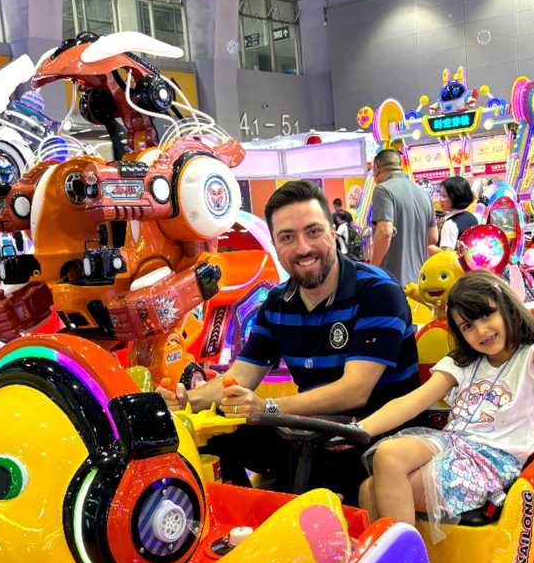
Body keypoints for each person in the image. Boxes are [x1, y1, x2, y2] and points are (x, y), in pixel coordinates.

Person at [161, 179, 419, 502]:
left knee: (298, 457)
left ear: (332, 232)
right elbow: (238, 379)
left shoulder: (377, 291)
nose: (303, 248)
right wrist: (186, 399)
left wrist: (266, 407)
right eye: (287, 237)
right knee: (212, 439)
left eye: (313, 232)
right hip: (312, 435)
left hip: (379, 436)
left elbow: (355, 390)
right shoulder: (278, 303)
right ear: (275, 244)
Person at [356, 271, 534, 528]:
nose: (481, 331)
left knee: (374, 486)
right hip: (451, 444)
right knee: (382, 463)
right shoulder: (462, 363)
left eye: (486, 315)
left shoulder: (530, 360)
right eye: (467, 326)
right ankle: (397, 562)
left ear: (506, 307)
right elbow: (412, 402)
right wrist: (359, 429)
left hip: (491, 463)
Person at [370, 148, 437, 284]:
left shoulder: (383, 189)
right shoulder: (424, 194)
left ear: (376, 168)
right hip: (420, 282)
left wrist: (373, 269)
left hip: (393, 281)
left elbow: (385, 231)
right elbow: (433, 238)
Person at [436, 177, 478, 250]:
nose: (440, 199)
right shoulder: (472, 217)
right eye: (440, 195)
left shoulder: (450, 224)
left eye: (444, 196)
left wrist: (430, 246)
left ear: (456, 197)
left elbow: (447, 257)